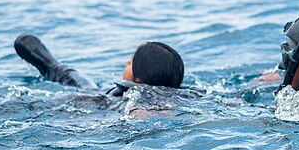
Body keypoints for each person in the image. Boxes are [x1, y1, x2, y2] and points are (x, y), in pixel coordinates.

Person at [15, 34, 185, 96]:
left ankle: (51, 65)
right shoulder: (183, 96)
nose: (127, 62)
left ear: (139, 77)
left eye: (131, 61)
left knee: (81, 83)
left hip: (96, 106)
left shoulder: (125, 96)